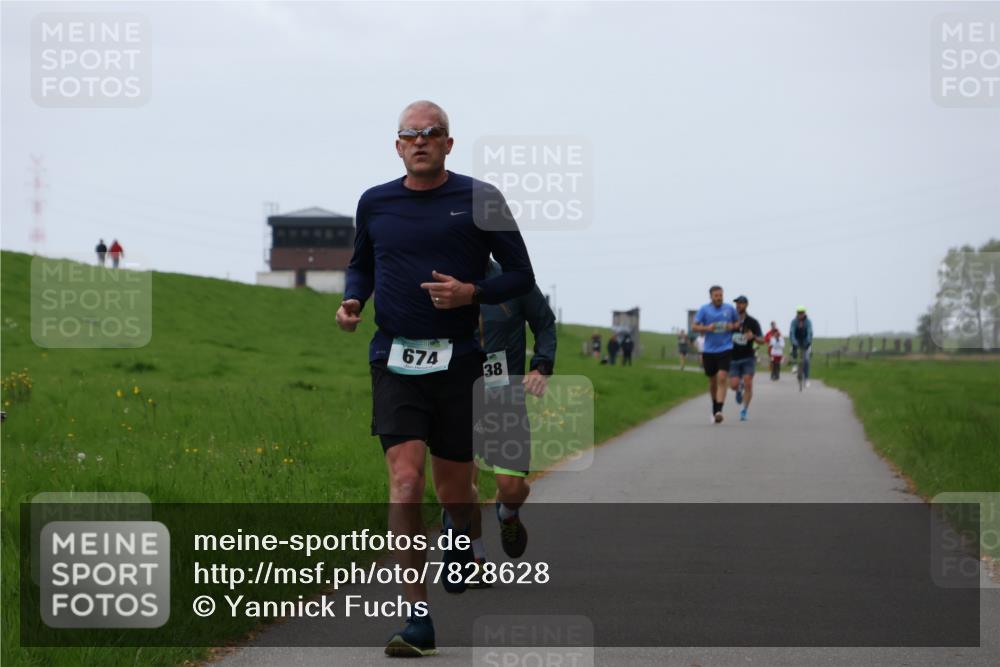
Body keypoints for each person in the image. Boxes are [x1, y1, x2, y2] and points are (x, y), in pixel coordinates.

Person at [337, 100, 535, 657]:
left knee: (457, 495)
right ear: (397, 145)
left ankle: (461, 542)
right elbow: (363, 263)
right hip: (395, 359)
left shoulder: (480, 199)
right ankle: (416, 616)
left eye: (432, 133)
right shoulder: (375, 203)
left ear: (449, 143)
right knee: (404, 481)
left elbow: (521, 275)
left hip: (460, 362)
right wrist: (354, 298)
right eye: (410, 134)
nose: (420, 141)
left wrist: (472, 292)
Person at [464, 257, 556, 585]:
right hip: (458, 394)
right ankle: (475, 558)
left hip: (506, 396)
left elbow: (544, 323)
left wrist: (540, 366)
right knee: (461, 486)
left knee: (510, 487)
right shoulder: (440, 279)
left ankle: (509, 512)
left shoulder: (513, 280)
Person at [691, 285, 738, 423]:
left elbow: (737, 323)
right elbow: (694, 326)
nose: (719, 298)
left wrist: (732, 326)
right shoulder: (704, 309)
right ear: (711, 297)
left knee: (722, 377)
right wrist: (706, 328)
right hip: (709, 350)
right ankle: (714, 405)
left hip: (726, 348)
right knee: (712, 381)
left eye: (721, 295)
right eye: (716, 296)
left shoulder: (729, 309)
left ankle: (719, 410)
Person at [728, 295, 765, 421]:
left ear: (746, 305)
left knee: (748, 383)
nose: (738, 305)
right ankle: (738, 389)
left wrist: (753, 336)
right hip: (733, 358)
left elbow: (762, 340)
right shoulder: (731, 322)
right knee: (733, 385)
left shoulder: (753, 322)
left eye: (741, 303)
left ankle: (744, 410)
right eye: (737, 303)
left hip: (748, 357)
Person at [789, 306, 814, 388]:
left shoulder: (808, 322)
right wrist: (794, 342)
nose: (800, 314)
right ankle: (795, 365)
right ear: (797, 313)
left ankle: (806, 379)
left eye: (802, 313)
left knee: (806, 360)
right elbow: (792, 332)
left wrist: (808, 342)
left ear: (804, 313)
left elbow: (809, 332)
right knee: (793, 350)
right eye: (799, 313)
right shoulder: (794, 321)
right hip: (796, 339)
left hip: (805, 341)